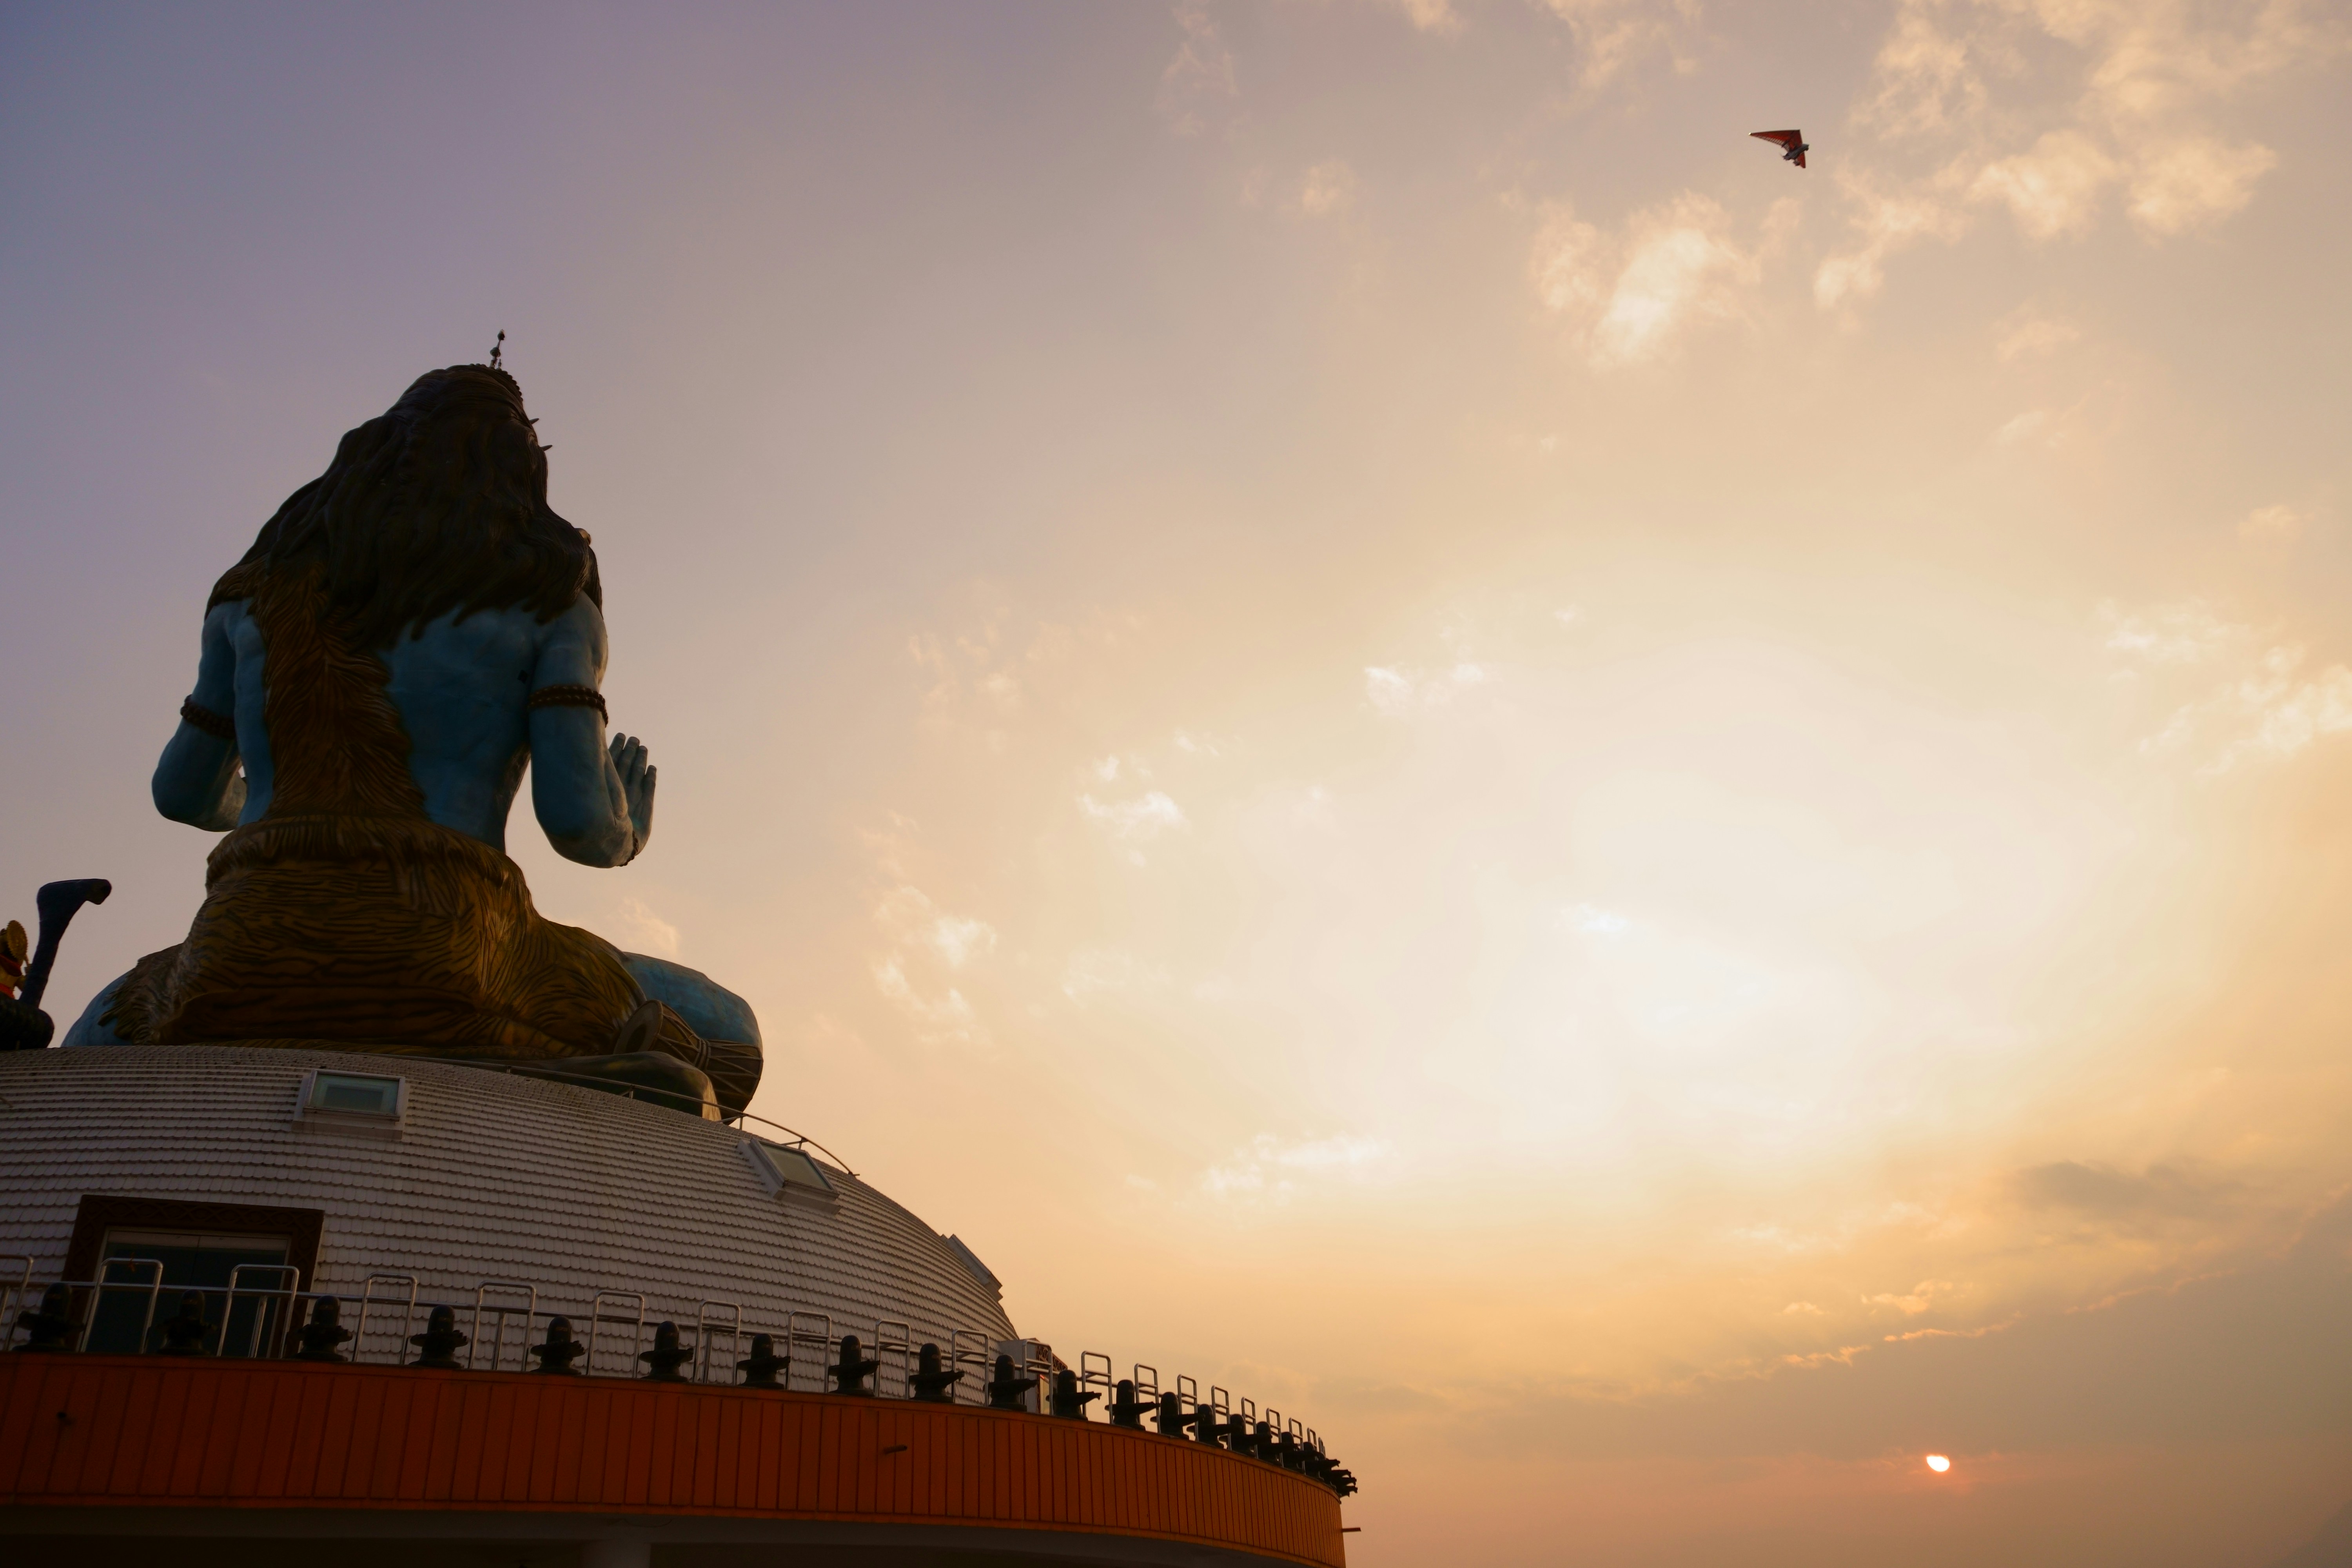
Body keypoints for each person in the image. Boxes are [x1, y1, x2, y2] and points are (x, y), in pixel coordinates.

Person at [67, 365, 759, 1114]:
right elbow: (581, 829)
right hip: (458, 945)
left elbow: (180, 794)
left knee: (93, 1028)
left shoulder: (249, 594)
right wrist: (631, 829)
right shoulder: (553, 597)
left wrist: (289, 811)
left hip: (246, 941)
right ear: (524, 464)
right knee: (731, 1029)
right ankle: (546, 1070)